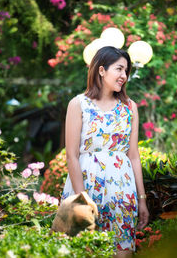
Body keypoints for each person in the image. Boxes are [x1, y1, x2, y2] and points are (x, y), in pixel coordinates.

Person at [62, 46, 149, 257]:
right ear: (101, 70)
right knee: (82, 251)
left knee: (122, 252)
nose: (124, 76)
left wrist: (142, 200)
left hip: (121, 191)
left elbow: (134, 156)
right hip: (84, 188)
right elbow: (72, 155)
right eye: (119, 69)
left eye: (126, 71)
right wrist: (82, 198)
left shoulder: (130, 107)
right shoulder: (78, 104)